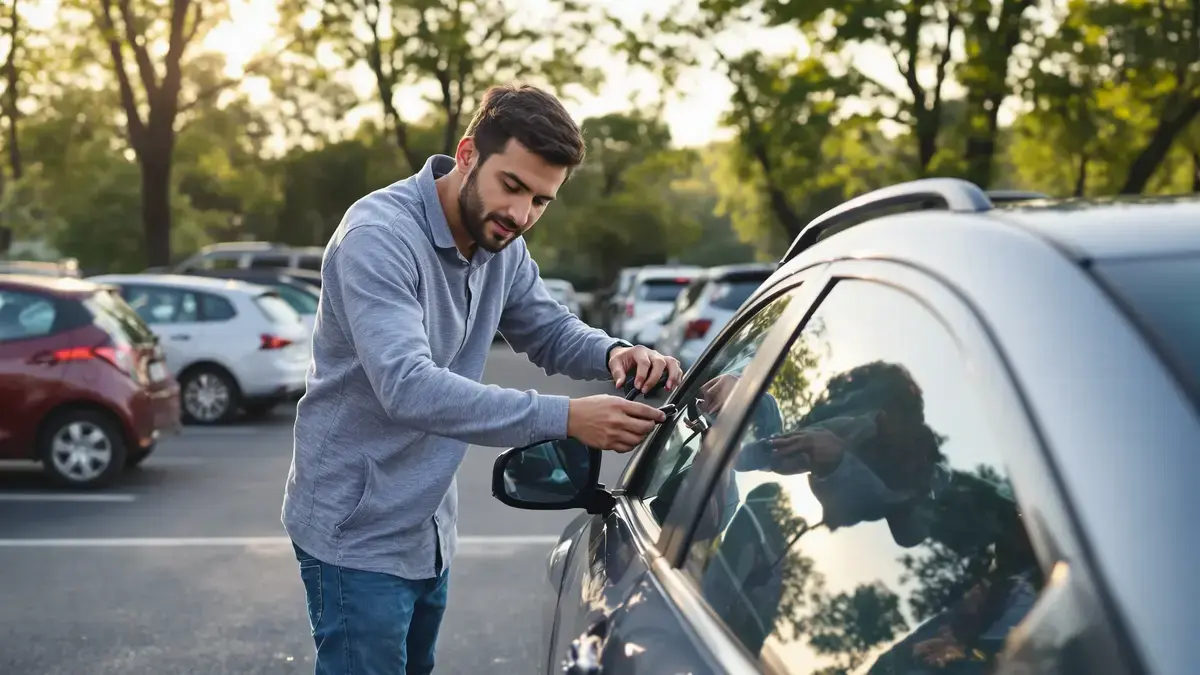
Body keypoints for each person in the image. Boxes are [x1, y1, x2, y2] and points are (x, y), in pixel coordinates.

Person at [280, 84, 683, 675]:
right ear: (468, 155)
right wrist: (568, 419)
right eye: (513, 186)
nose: (521, 216)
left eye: (541, 201)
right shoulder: (379, 238)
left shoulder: (502, 244)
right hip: (355, 530)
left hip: (427, 527)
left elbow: (547, 329)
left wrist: (616, 354)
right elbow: (408, 386)